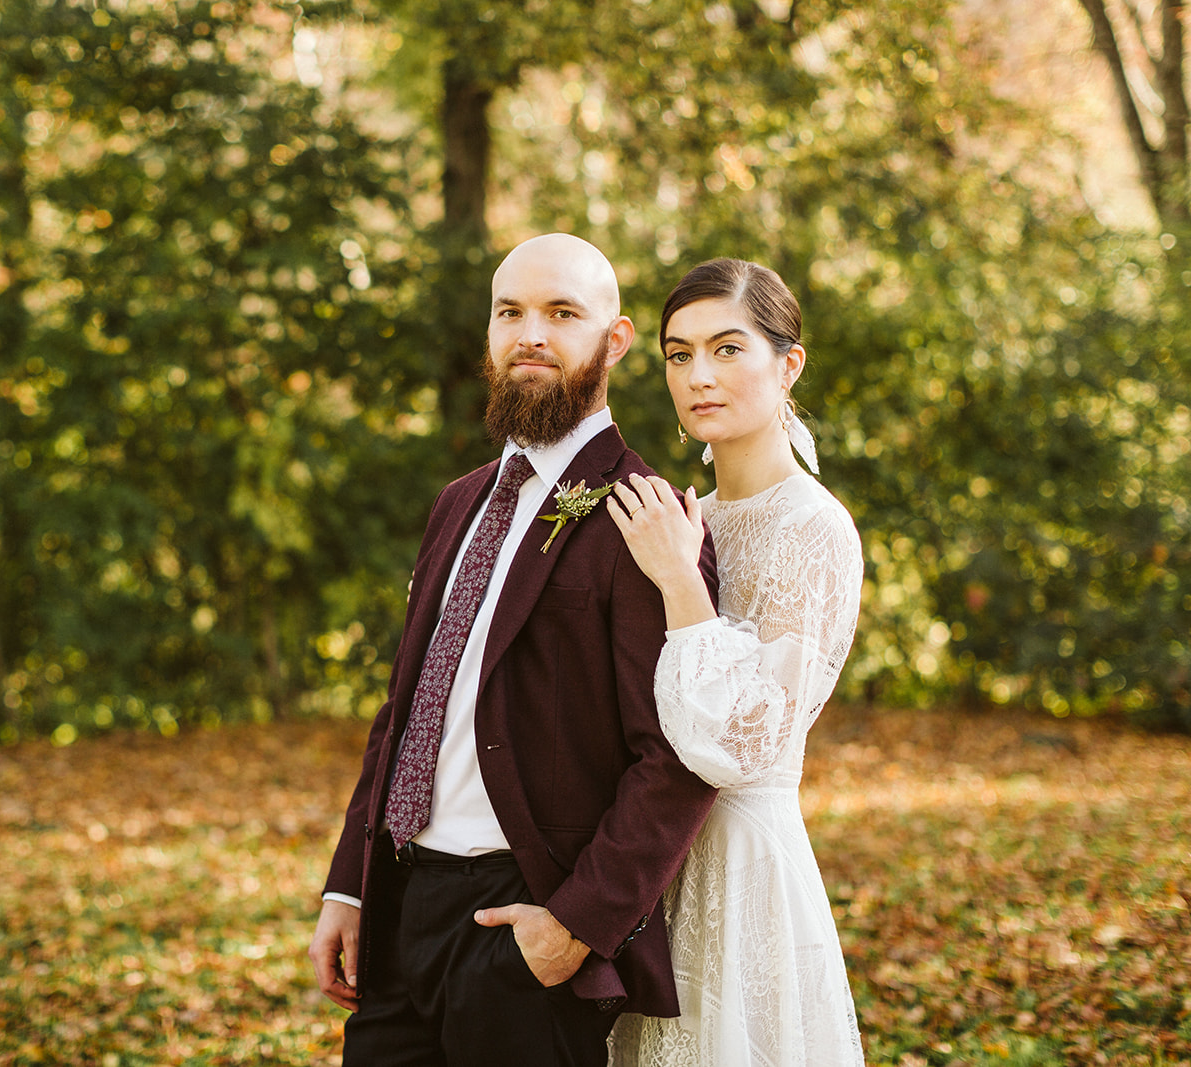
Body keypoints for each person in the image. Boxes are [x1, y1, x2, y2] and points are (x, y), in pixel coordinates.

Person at [308, 233, 719, 1067]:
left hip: (526, 922)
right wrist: (350, 882)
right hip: (402, 906)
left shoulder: (647, 517)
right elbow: (405, 709)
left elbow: (676, 754)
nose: (531, 332)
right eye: (511, 312)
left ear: (616, 339)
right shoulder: (458, 502)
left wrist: (577, 926)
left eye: (562, 313)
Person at [605, 258, 867, 1066]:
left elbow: (742, 742)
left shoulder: (815, 529)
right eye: (679, 355)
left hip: (745, 866)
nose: (699, 375)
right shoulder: (688, 516)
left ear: (788, 365)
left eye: (726, 348)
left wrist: (680, 581)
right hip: (654, 863)